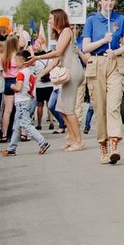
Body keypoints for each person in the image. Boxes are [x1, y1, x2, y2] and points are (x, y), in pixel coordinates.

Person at [82, 0, 124, 164]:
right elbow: (85, 47)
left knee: (113, 106)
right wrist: (104, 40)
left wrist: (116, 51)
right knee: (100, 108)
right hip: (96, 63)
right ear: (99, 2)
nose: (109, 3)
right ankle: (103, 146)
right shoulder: (92, 20)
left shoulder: (121, 19)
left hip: (115, 63)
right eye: (106, 0)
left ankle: (114, 144)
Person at [30, 9, 87, 151]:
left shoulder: (67, 31)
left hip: (73, 72)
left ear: (58, 19)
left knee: (67, 108)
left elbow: (58, 52)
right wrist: (39, 74)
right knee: (61, 108)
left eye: (50, 18)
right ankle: (73, 139)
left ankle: (78, 141)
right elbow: (56, 60)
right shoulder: (62, 34)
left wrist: (37, 57)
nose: (49, 21)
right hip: (69, 72)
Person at [0, 49, 49, 156]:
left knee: (26, 124)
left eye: (16, 61)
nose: (15, 63)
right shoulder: (30, 71)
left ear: (22, 62)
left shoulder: (21, 73)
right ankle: (12, 148)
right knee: (16, 125)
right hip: (26, 99)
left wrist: (11, 86)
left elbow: (18, 87)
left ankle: (42, 142)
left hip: (21, 101)